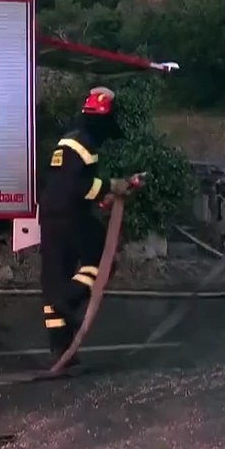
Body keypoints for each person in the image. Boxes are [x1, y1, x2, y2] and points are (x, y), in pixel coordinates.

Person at [38, 86, 145, 362]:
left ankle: (61, 351)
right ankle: (69, 300)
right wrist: (112, 184)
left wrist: (106, 197)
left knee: (54, 280)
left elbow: (69, 186)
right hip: (71, 218)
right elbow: (77, 185)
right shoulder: (84, 144)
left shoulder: (70, 140)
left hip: (52, 216)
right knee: (102, 261)